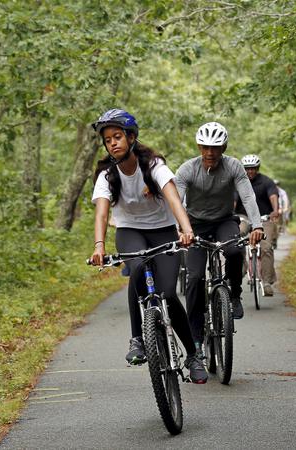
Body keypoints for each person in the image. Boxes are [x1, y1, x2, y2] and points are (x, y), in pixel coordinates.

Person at [89, 108, 207, 384]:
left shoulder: (153, 166)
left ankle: (193, 355)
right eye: (108, 140)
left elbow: (174, 200)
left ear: (131, 137)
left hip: (163, 231)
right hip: (130, 231)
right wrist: (98, 246)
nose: (113, 143)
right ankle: (137, 340)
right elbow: (102, 214)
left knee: (167, 292)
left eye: (117, 137)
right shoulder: (108, 174)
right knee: (137, 266)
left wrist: (186, 231)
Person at [175, 122, 263, 353]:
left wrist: (257, 226)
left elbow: (248, 197)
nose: (210, 153)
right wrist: (179, 229)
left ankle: (234, 294)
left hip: (224, 221)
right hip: (194, 226)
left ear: (224, 147)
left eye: (215, 148)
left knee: (234, 250)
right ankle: (195, 338)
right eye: (205, 147)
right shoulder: (187, 169)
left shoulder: (234, 166)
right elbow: (176, 202)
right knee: (194, 279)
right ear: (198, 146)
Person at [235, 154, 280, 296]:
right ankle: (241, 266)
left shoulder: (266, 182)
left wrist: (275, 210)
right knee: (236, 238)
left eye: (253, 169)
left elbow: (273, 196)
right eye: (247, 169)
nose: (250, 172)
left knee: (266, 246)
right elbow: (234, 200)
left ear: (257, 168)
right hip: (244, 217)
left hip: (263, 218)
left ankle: (266, 282)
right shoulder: (239, 182)